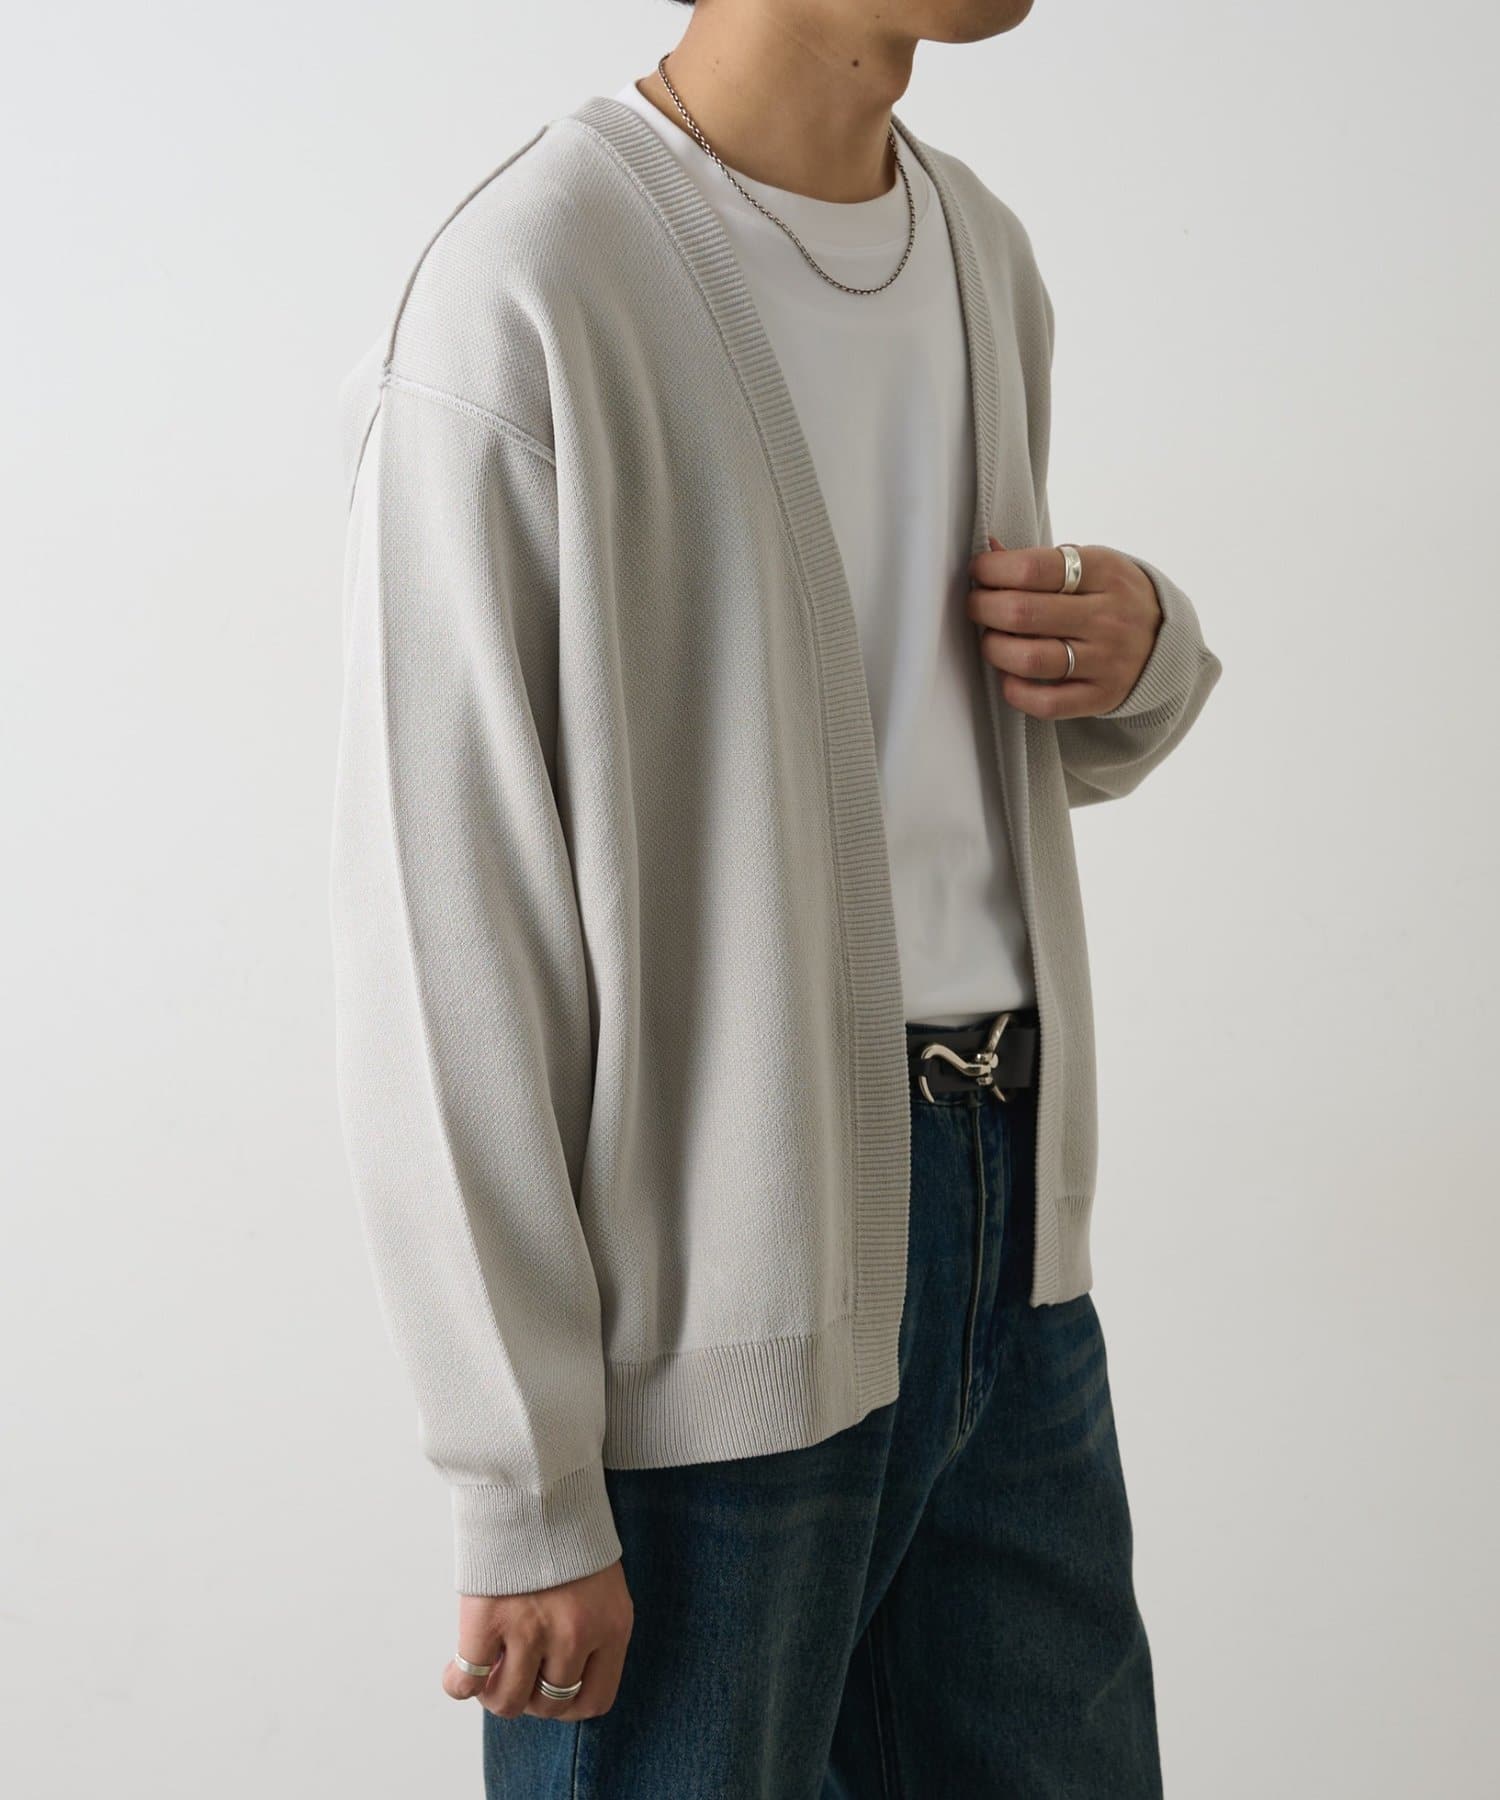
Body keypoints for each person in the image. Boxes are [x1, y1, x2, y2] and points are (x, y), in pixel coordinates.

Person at [330, 0, 1222, 1792]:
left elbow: (874, 770)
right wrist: (522, 1480)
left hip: (1010, 1250)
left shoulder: (977, 249)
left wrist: (1140, 659)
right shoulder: (535, 281)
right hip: (708, 1288)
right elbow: (446, 934)